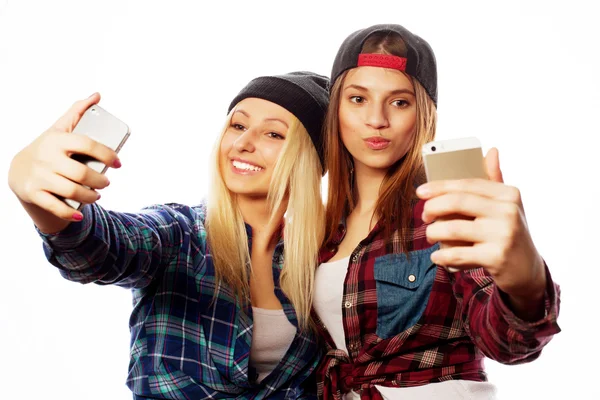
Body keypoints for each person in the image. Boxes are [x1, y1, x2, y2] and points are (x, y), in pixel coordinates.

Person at [8, 71, 329, 399]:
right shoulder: (179, 233)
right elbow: (102, 248)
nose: (243, 144)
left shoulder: (321, 265)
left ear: (311, 160)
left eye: (273, 134)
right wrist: (42, 199)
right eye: (238, 125)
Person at [312, 24, 561, 400]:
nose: (377, 119)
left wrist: (524, 282)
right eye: (358, 99)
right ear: (336, 109)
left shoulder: (446, 207)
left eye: (399, 102)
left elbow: (507, 342)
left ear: (423, 113)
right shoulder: (318, 233)